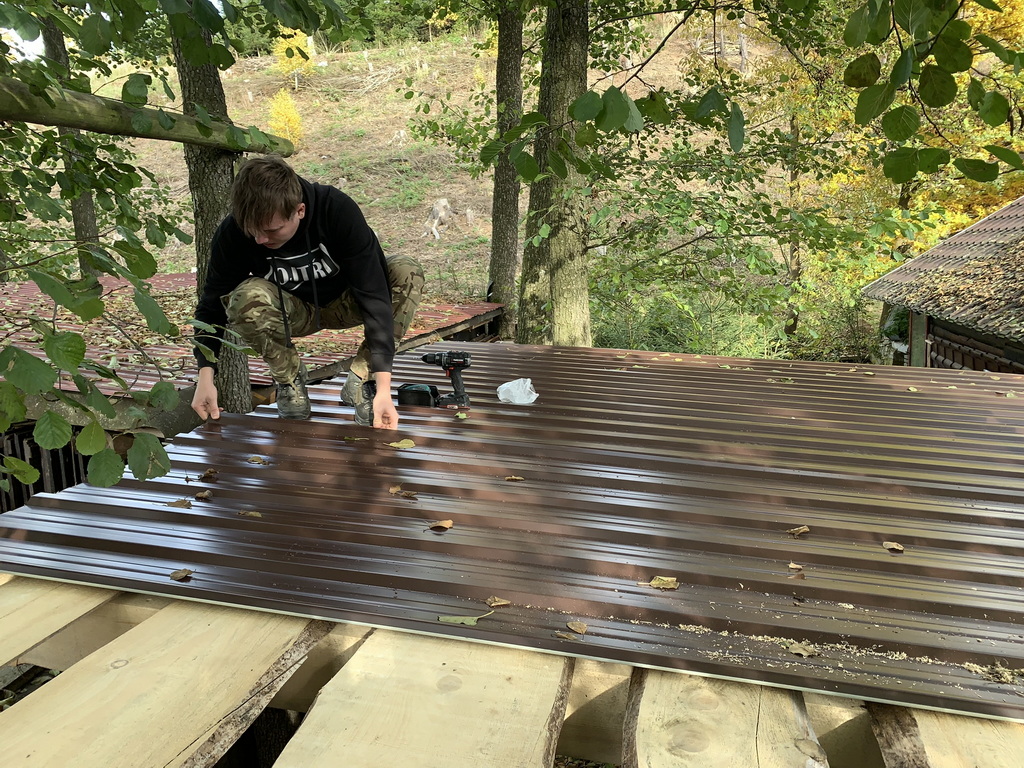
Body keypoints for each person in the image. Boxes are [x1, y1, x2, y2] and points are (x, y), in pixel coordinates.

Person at [190, 156, 424, 427]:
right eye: (252, 231)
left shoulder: (336, 210)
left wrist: (383, 387)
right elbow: (211, 305)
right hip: (293, 311)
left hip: (347, 302)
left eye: (271, 230)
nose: (260, 239)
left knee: (405, 270)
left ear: (299, 210)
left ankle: (363, 379)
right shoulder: (233, 233)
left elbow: (374, 293)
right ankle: (289, 381)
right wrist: (205, 376)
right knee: (246, 297)